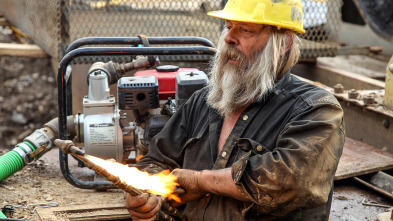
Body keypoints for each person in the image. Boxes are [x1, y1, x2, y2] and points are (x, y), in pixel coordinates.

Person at [125, 0, 345, 220]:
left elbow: (290, 180)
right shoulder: (204, 100)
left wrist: (201, 181)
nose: (229, 38)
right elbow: (155, 159)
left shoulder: (316, 109)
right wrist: (145, 193)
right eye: (229, 27)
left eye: (246, 30)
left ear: (284, 43)